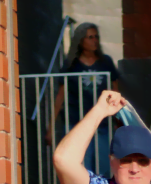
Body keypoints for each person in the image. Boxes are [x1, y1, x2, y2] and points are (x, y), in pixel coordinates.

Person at [48, 22, 120, 175]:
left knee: (104, 168)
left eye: (96, 37)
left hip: (102, 123)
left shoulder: (105, 61)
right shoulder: (71, 65)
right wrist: (51, 127)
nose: (94, 40)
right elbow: (60, 96)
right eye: (90, 37)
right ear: (80, 41)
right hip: (77, 123)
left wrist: (117, 119)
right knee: (81, 168)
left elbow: (115, 90)